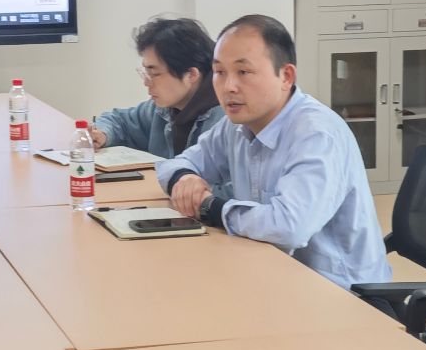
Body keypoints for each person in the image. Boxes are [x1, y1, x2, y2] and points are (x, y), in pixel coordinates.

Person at [156, 15, 390, 290]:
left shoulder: (316, 134)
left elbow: (289, 228)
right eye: (219, 72)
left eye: (243, 72)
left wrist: (211, 207)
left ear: (286, 76)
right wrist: (186, 179)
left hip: (339, 293)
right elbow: (173, 165)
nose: (229, 86)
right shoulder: (236, 125)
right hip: (271, 274)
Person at [89, 16, 224, 159]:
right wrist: (102, 134)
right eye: (146, 73)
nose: (146, 83)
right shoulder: (162, 109)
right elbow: (119, 121)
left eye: (154, 74)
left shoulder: (225, 120)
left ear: (191, 74)